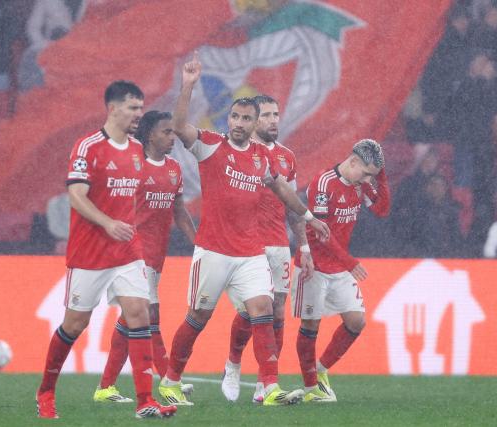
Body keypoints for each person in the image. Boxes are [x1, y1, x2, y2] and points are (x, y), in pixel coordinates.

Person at [158, 52, 329, 407]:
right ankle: (171, 379)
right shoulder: (210, 145)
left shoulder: (262, 157)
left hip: (251, 251)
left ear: (254, 124)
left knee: (264, 310)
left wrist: (310, 218)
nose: (238, 122)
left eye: (246, 118)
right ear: (229, 118)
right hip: (214, 250)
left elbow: (282, 190)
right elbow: (177, 126)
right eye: (235, 116)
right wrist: (187, 86)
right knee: (199, 316)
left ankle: (268, 386)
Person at [35, 81, 177, 419]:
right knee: (75, 324)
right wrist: (107, 223)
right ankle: (46, 392)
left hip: (128, 251)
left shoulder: (136, 150)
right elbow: (77, 196)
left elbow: (135, 198)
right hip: (90, 252)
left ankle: (145, 401)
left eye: (141, 109)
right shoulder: (88, 147)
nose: (138, 115)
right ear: (112, 108)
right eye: (132, 108)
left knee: (139, 313)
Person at [93, 110, 197, 403]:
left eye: (173, 132)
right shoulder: (133, 164)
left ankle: (105, 388)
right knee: (149, 315)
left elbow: (178, 211)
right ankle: (168, 379)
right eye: (166, 132)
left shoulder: (174, 168)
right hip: (131, 253)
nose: (172, 137)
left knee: (130, 319)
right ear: (150, 134)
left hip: (156, 255)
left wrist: (198, 243)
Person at [220, 95, 314, 404]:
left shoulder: (287, 157)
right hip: (247, 243)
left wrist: (303, 246)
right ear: (254, 118)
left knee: (276, 313)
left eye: (277, 114)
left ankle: (265, 385)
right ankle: (233, 364)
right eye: (268, 115)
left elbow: (292, 207)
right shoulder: (239, 152)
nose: (274, 120)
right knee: (251, 310)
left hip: (277, 243)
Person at [292, 139, 390, 402]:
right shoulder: (323, 185)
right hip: (314, 265)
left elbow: (382, 210)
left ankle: (321, 370)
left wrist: (381, 177)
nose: (368, 178)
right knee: (311, 324)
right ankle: (311, 387)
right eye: (366, 172)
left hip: (339, 266)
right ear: (353, 161)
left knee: (356, 321)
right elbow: (321, 233)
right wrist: (350, 262)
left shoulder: (362, 184)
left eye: (372, 174)